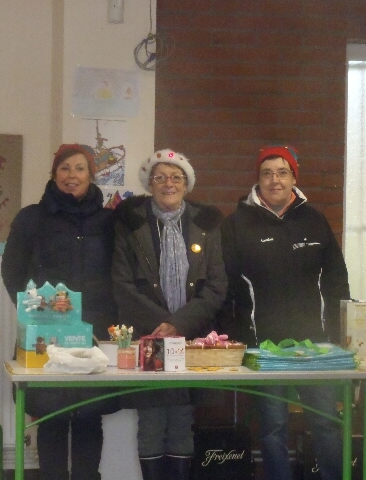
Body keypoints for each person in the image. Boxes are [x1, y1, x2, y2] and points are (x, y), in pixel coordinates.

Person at [218, 145, 351, 480]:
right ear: (258, 179)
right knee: (272, 427)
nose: (274, 180)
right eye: (267, 173)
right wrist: (239, 338)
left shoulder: (315, 220)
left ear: (294, 177)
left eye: (282, 172)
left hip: (317, 345)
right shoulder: (236, 224)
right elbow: (226, 287)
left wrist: (339, 333)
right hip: (264, 347)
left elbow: (337, 280)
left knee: (327, 422)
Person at [1, 143, 117, 480]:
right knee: (51, 416)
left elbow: (119, 273)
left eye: (80, 168)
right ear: (54, 175)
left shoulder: (109, 221)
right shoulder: (31, 218)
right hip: (46, 333)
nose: (72, 175)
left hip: (93, 332)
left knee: (88, 417)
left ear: (91, 175)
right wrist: (36, 314)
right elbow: (13, 272)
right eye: (65, 168)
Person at [112, 149, 228, 480]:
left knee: (182, 420)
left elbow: (216, 286)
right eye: (160, 177)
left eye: (176, 177)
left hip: (192, 336)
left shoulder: (206, 225)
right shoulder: (130, 225)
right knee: (150, 422)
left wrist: (178, 323)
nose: (168, 184)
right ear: (149, 184)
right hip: (150, 337)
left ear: (186, 185)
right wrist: (160, 325)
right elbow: (121, 285)